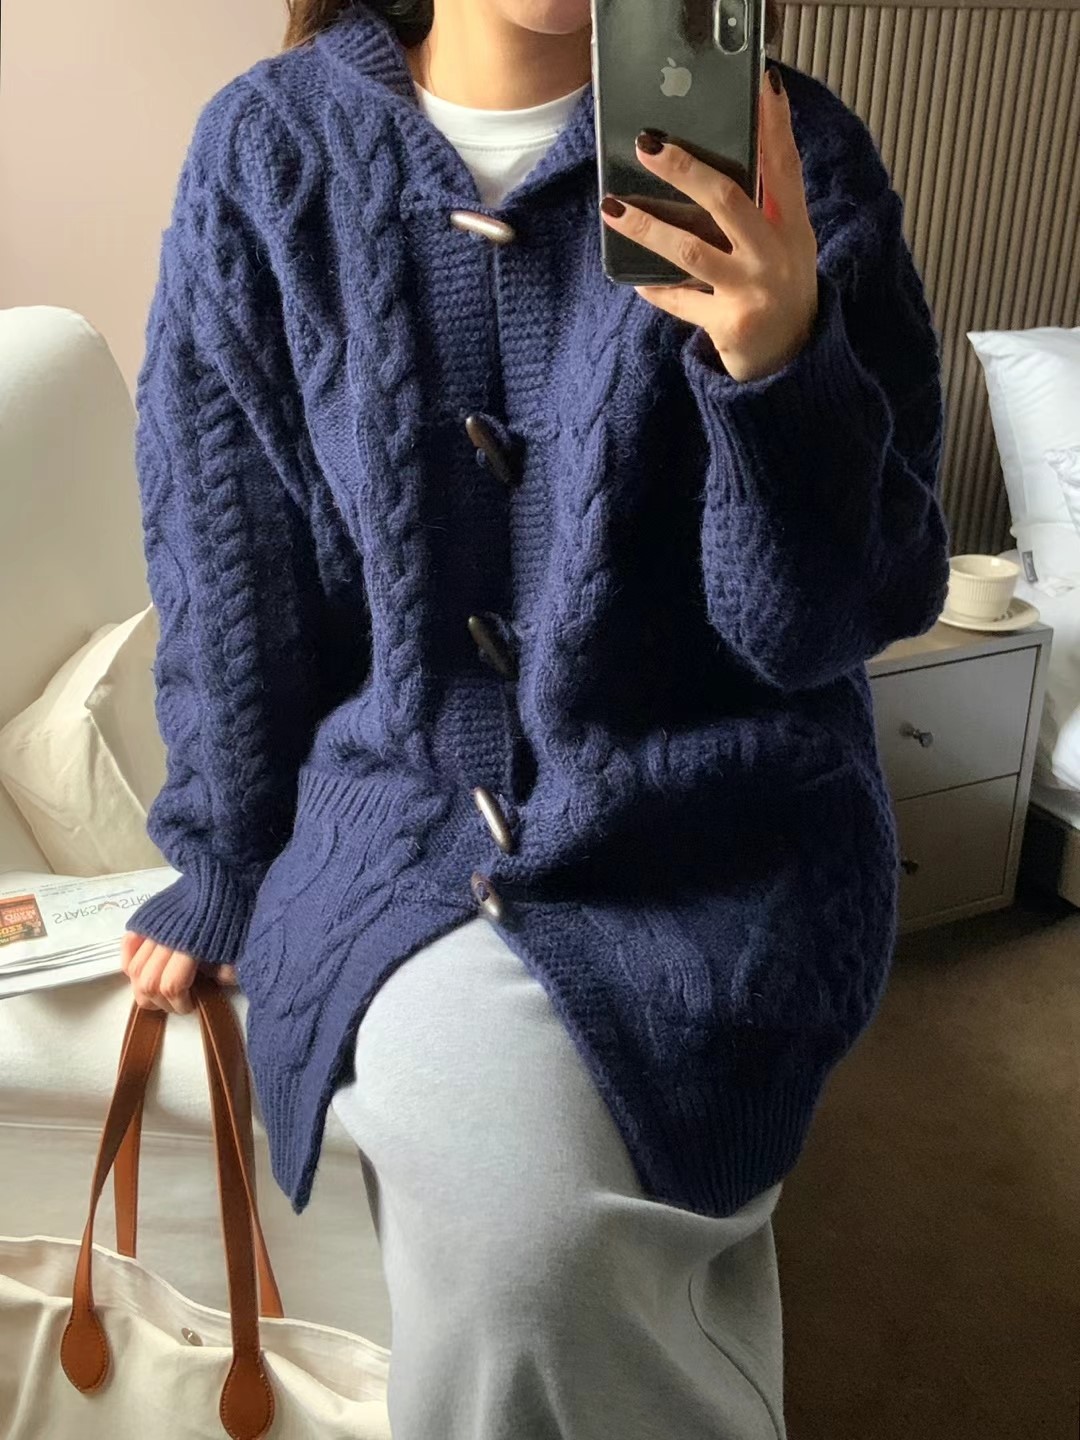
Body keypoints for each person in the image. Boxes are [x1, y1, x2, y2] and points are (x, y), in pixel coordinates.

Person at [119, 0, 950, 1435]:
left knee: (572, 1253)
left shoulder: (795, 150)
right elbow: (229, 558)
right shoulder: (269, 149)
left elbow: (823, 629)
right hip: (410, 828)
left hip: (722, 836)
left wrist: (781, 360)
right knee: (531, 1262)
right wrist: (222, 859)